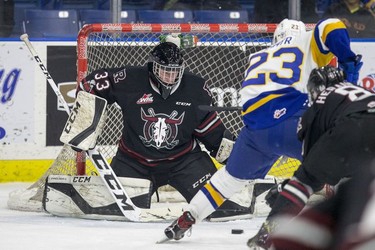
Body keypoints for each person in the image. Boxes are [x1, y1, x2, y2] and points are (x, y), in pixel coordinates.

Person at [160, 18, 363, 243]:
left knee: (228, 180)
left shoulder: (257, 56)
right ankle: (344, 224)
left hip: (254, 130)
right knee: (341, 160)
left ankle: (187, 217)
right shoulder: (306, 42)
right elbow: (332, 25)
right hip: (291, 119)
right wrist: (348, 59)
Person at [75, 41, 250, 220]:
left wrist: (237, 162)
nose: (170, 76)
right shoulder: (130, 79)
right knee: (115, 213)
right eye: (165, 70)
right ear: (152, 67)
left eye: (175, 71)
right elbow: (89, 85)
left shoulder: (196, 88)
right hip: (133, 162)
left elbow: (208, 128)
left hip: (184, 162)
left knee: (222, 210)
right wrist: (83, 125)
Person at [264, 66, 375, 250]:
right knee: (361, 183)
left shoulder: (320, 102)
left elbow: (311, 171)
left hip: (352, 127)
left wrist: (287, 191)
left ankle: (266, 236)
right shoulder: (361, 91)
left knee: (303, 182)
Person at [253, 0, 320, 23]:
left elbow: (311, 15)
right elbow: (262, 16)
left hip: (301, 33)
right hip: (273, 33)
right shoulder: (266, 3)